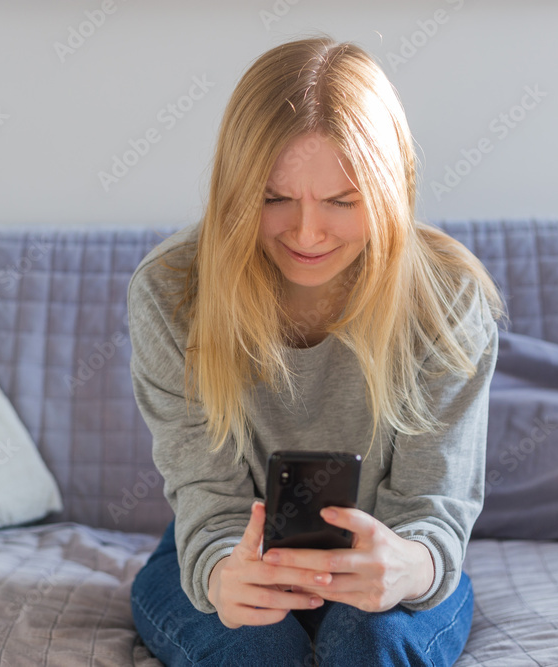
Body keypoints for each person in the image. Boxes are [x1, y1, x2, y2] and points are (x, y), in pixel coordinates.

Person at [126, 33, 507, 667]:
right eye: (274, 198)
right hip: (225, 545)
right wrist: (224, 576)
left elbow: (433, 507)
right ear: (235, 189)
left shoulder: (447, 297)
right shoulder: (171, 290)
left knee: (371, 643)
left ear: (389, 191)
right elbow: (209, 500)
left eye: (341, 202)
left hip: (394, 548)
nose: (307, 234)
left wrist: (408, 567)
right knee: (255, 648)